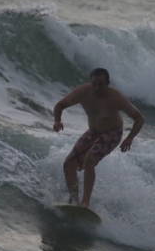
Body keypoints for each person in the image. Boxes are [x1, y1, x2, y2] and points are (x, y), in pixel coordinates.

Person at [52, 67, 145, 208]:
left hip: (113, 133)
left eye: (101, 84)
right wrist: (57, 120)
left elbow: (139, 118)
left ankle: (85, 203)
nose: (96, 88)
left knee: (90, 160)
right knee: (69, 163)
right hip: (93, 132)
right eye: (94, 84)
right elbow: (60, 105)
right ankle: (74, 200)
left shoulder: (116, 98)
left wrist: (129, 138)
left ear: (107, 83)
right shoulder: (83, 92)